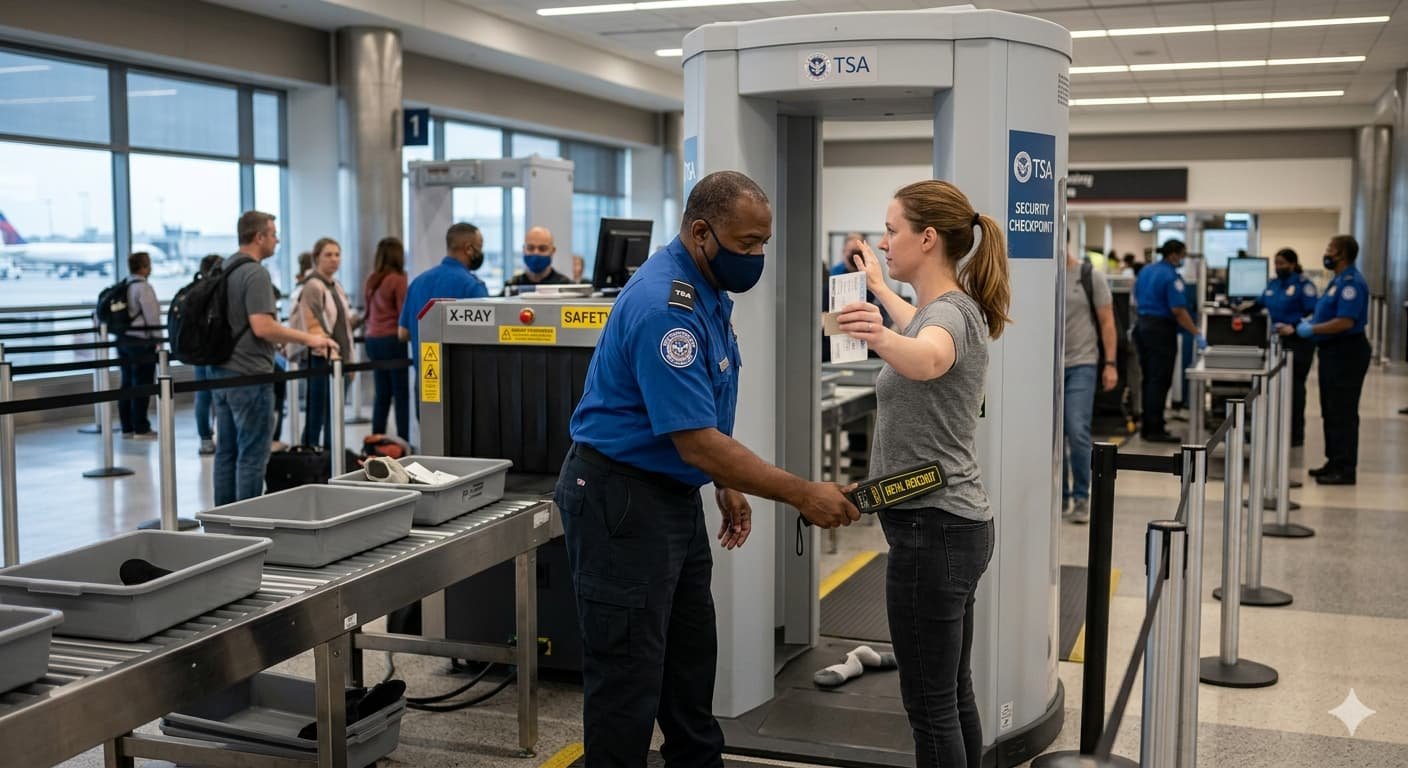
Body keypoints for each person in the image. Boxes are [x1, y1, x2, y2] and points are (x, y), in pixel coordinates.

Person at [555, 170, 858, 767]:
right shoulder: (664, 308)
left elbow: (701, 408)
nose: (757, 256)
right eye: (747, 244)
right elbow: (695, 440)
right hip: (622, 500)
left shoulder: (706, 287)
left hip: (669, 496)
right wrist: (802, 494)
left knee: (688, 667)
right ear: (701, 232)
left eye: (763, 244)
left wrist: (725, 482)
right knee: (627, 685)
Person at [835, 180, 1008, 768]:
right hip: (952, 526)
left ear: (927, 238)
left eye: (892, 230)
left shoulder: (950, 317)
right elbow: (923, 331)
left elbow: (930, 356)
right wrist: (882, 291)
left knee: (930, 705)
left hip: (932, 531)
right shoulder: (951, 309)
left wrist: (875, 332)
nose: (884, 241)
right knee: (950, 694)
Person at [211, 211, 338, 506]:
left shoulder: (226, 267)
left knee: (226, 452)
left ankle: (223, 519)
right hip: (251, 375)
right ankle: (248, 523)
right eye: (273, 234)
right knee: (253, 455)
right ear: (259, 237)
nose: (277, 239)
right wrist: (310, 339)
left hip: (221, 372)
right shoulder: (255, 273)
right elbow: (262, 326)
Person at [1298, 235, 1371, 485]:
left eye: (1330, 249)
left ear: (1342, 254)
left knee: (1344, 411)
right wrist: (1313, 323)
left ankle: (1345, 468)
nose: (1326, 253)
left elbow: (1345, 321)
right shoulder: (1337, 282)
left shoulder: (1352, 283)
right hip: (1331, 352)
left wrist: (1313, 329)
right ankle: (1333, 461)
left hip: (1347, 352)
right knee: (1330, 409)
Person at [1062, 244, 1119, 524]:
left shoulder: (1088, 275)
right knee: (1051, 437)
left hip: (1082, 363)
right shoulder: (1041, 277)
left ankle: (1082, 495)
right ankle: (1059, 497)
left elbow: (1107, 322)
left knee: (1076, 428)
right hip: (1047, 370)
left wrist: (1110, 364)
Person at [1132, 239, 1205, 443]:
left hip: (1142, 327)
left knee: (1148, 379)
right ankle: (1155, 430)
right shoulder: (1171, 276)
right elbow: (1178, 310)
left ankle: (1149, 425)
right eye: (1182, 255)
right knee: (1160, 380)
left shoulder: (1146, 270)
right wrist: (1196, 332)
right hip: (1160, 331)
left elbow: (1136, 297)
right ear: (1173, 255)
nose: (1182, 259)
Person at [296, 237, 356, 449]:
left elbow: (342, 323)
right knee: (318, 413)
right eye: (328, 255)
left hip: (340, 357)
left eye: (337, 254)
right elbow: (312, 323)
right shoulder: (313, 285)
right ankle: (311, 456)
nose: (334, 259)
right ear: (316, 258)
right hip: (322, 357)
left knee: (334, 412)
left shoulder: (335, 285)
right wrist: (332, 352)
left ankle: (332, 456)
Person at [398, 222, 489, 354]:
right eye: (479, 248)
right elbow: (486, 337)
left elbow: (403, 333)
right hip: (463, 374)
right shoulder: (473, 287)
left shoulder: (417, 283)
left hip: (424, 373)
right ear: (469, 249)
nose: (480, 253)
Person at [1262, 248, 1317, 447]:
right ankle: (1277, 429)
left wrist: (1294, 327)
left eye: (1282, 264)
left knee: (1294, 388)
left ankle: (1295, 433)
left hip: (1299, 342)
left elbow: (1314, 313)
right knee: (1276, 387)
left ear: (1293, 264)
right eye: (1276, 263)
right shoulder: (1273, 284)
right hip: (1278, 341)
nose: (1278, 267)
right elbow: (1262, 303)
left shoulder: (1305, 286)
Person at [363, 236, 411, 441]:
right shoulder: (398, 280)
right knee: (400, 394)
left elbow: (367, 312)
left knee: (381, 394)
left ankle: (376, 439)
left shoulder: (373, 279)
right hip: (392, 339)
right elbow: (404, 313)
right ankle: (402, 441)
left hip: (372, 339)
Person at [117, 251, 160, 440]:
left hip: (123, 340)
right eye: (148, 264)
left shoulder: (124, 285)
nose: (150, 268)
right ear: (143, 267)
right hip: (141, 342)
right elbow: (152, 317)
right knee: (142, 384)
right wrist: (159, 340)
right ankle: (141, 427)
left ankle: (127, 427)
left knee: (126, 383)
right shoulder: (143, 287)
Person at [193, 253, 225, 455]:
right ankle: (222, 437)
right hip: (217, 352)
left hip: (198, 351)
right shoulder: (217, 291)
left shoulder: (195, 290)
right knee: (219, 396)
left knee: (203, 396)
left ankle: (205, 438)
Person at [504, 225, 571, 292]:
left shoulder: (566, 287)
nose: (536, 253)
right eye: (530, 248)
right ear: (524, 249)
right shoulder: (512, 287)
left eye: (542, 248)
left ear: (552, 251)